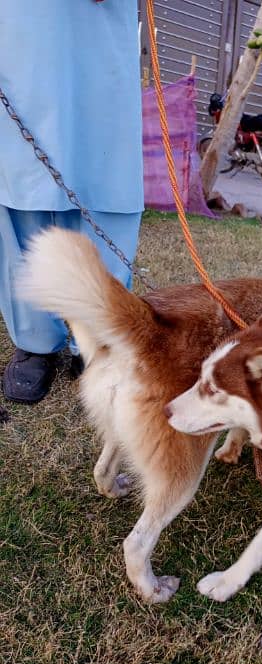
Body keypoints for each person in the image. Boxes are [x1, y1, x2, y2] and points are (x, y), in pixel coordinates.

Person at [0, 0, 143, 404]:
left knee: (107, 167)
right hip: (19, 19)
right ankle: (36, 337)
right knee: (22, 175)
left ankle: (100, 334)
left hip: (100, 18)